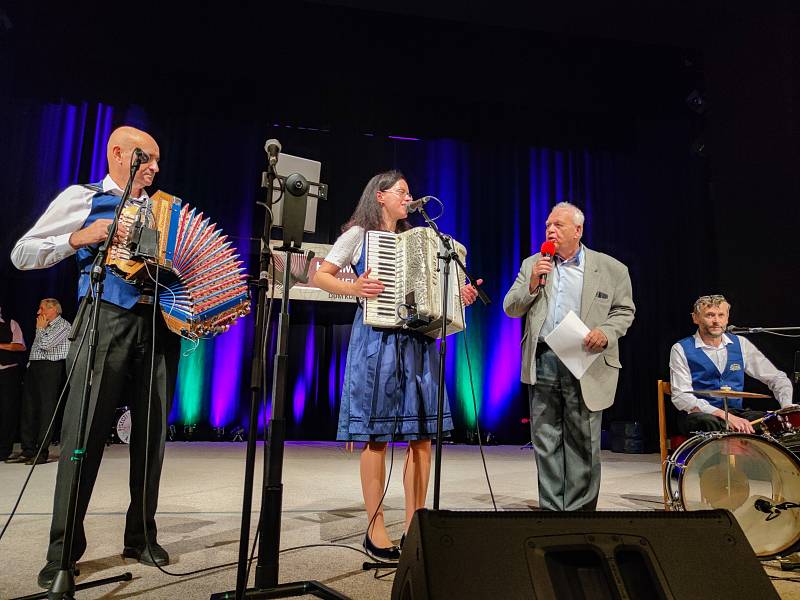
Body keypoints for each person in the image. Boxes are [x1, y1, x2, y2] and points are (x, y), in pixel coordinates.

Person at [11, 126, 180, 588]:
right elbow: (22, 253)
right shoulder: (83, 196)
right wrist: (79, 237)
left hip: (158, 326)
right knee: (82, 432)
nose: (156, 168)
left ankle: (141, 536)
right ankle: (62, 549)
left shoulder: (168, 211)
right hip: (103, 317)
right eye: (148, 159)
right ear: (119, 154)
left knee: (150, 436)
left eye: (158, 161)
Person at [313, 170, 481, 559]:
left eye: (409, 192)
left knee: (421, 436)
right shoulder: (358, 236)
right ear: (380, 196)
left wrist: (460, 296)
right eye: (402, 192)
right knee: (377, 436)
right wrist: (354, 287)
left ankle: (414, 527)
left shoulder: (420, 241)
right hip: (377, 342)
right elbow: (321, 275)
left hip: (417, 343)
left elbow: (437, 295)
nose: (409, 198)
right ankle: (374, 531)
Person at [503, 201, 635, 511]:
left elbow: (624, 310)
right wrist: (533, 283)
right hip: (544, 358)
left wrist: (606, 331)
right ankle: (552, 510)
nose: (550, 229)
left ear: (578, 230)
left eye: (558, 225)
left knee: (583, 438)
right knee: (545, 437)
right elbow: (511, 306)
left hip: (585, 359)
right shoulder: (533, 264)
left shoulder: (611, 268)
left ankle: (579, 512)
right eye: (548, 224)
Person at [669, 294, 793, 434]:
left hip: (736, 413)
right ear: (695, 318)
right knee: (709, 423)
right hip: (701, 414)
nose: (716, 321)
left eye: (721, 315)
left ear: (727, 318)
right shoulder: (681, 348)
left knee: (772, 422)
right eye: (710, 315)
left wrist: (786, 405)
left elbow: (777, 378)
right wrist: (724, 416)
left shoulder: (740, 344)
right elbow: (681, 396)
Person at [5, 299, 71, 465]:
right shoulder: (44, 326)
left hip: (51, 368)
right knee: (29, 409)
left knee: (45, 410)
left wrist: (40, 330)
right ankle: (28, 450)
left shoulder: (63, 325)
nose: (38, 313)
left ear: (53, 309)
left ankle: (42, 452)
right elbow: (36, 348)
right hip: (34, 367)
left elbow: (47, 345)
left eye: (41, 309)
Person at [0, 306, 26, 461]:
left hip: (7, 372)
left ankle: (4, 450)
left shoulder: (11, 324)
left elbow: (20, 345)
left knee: (7, 411)